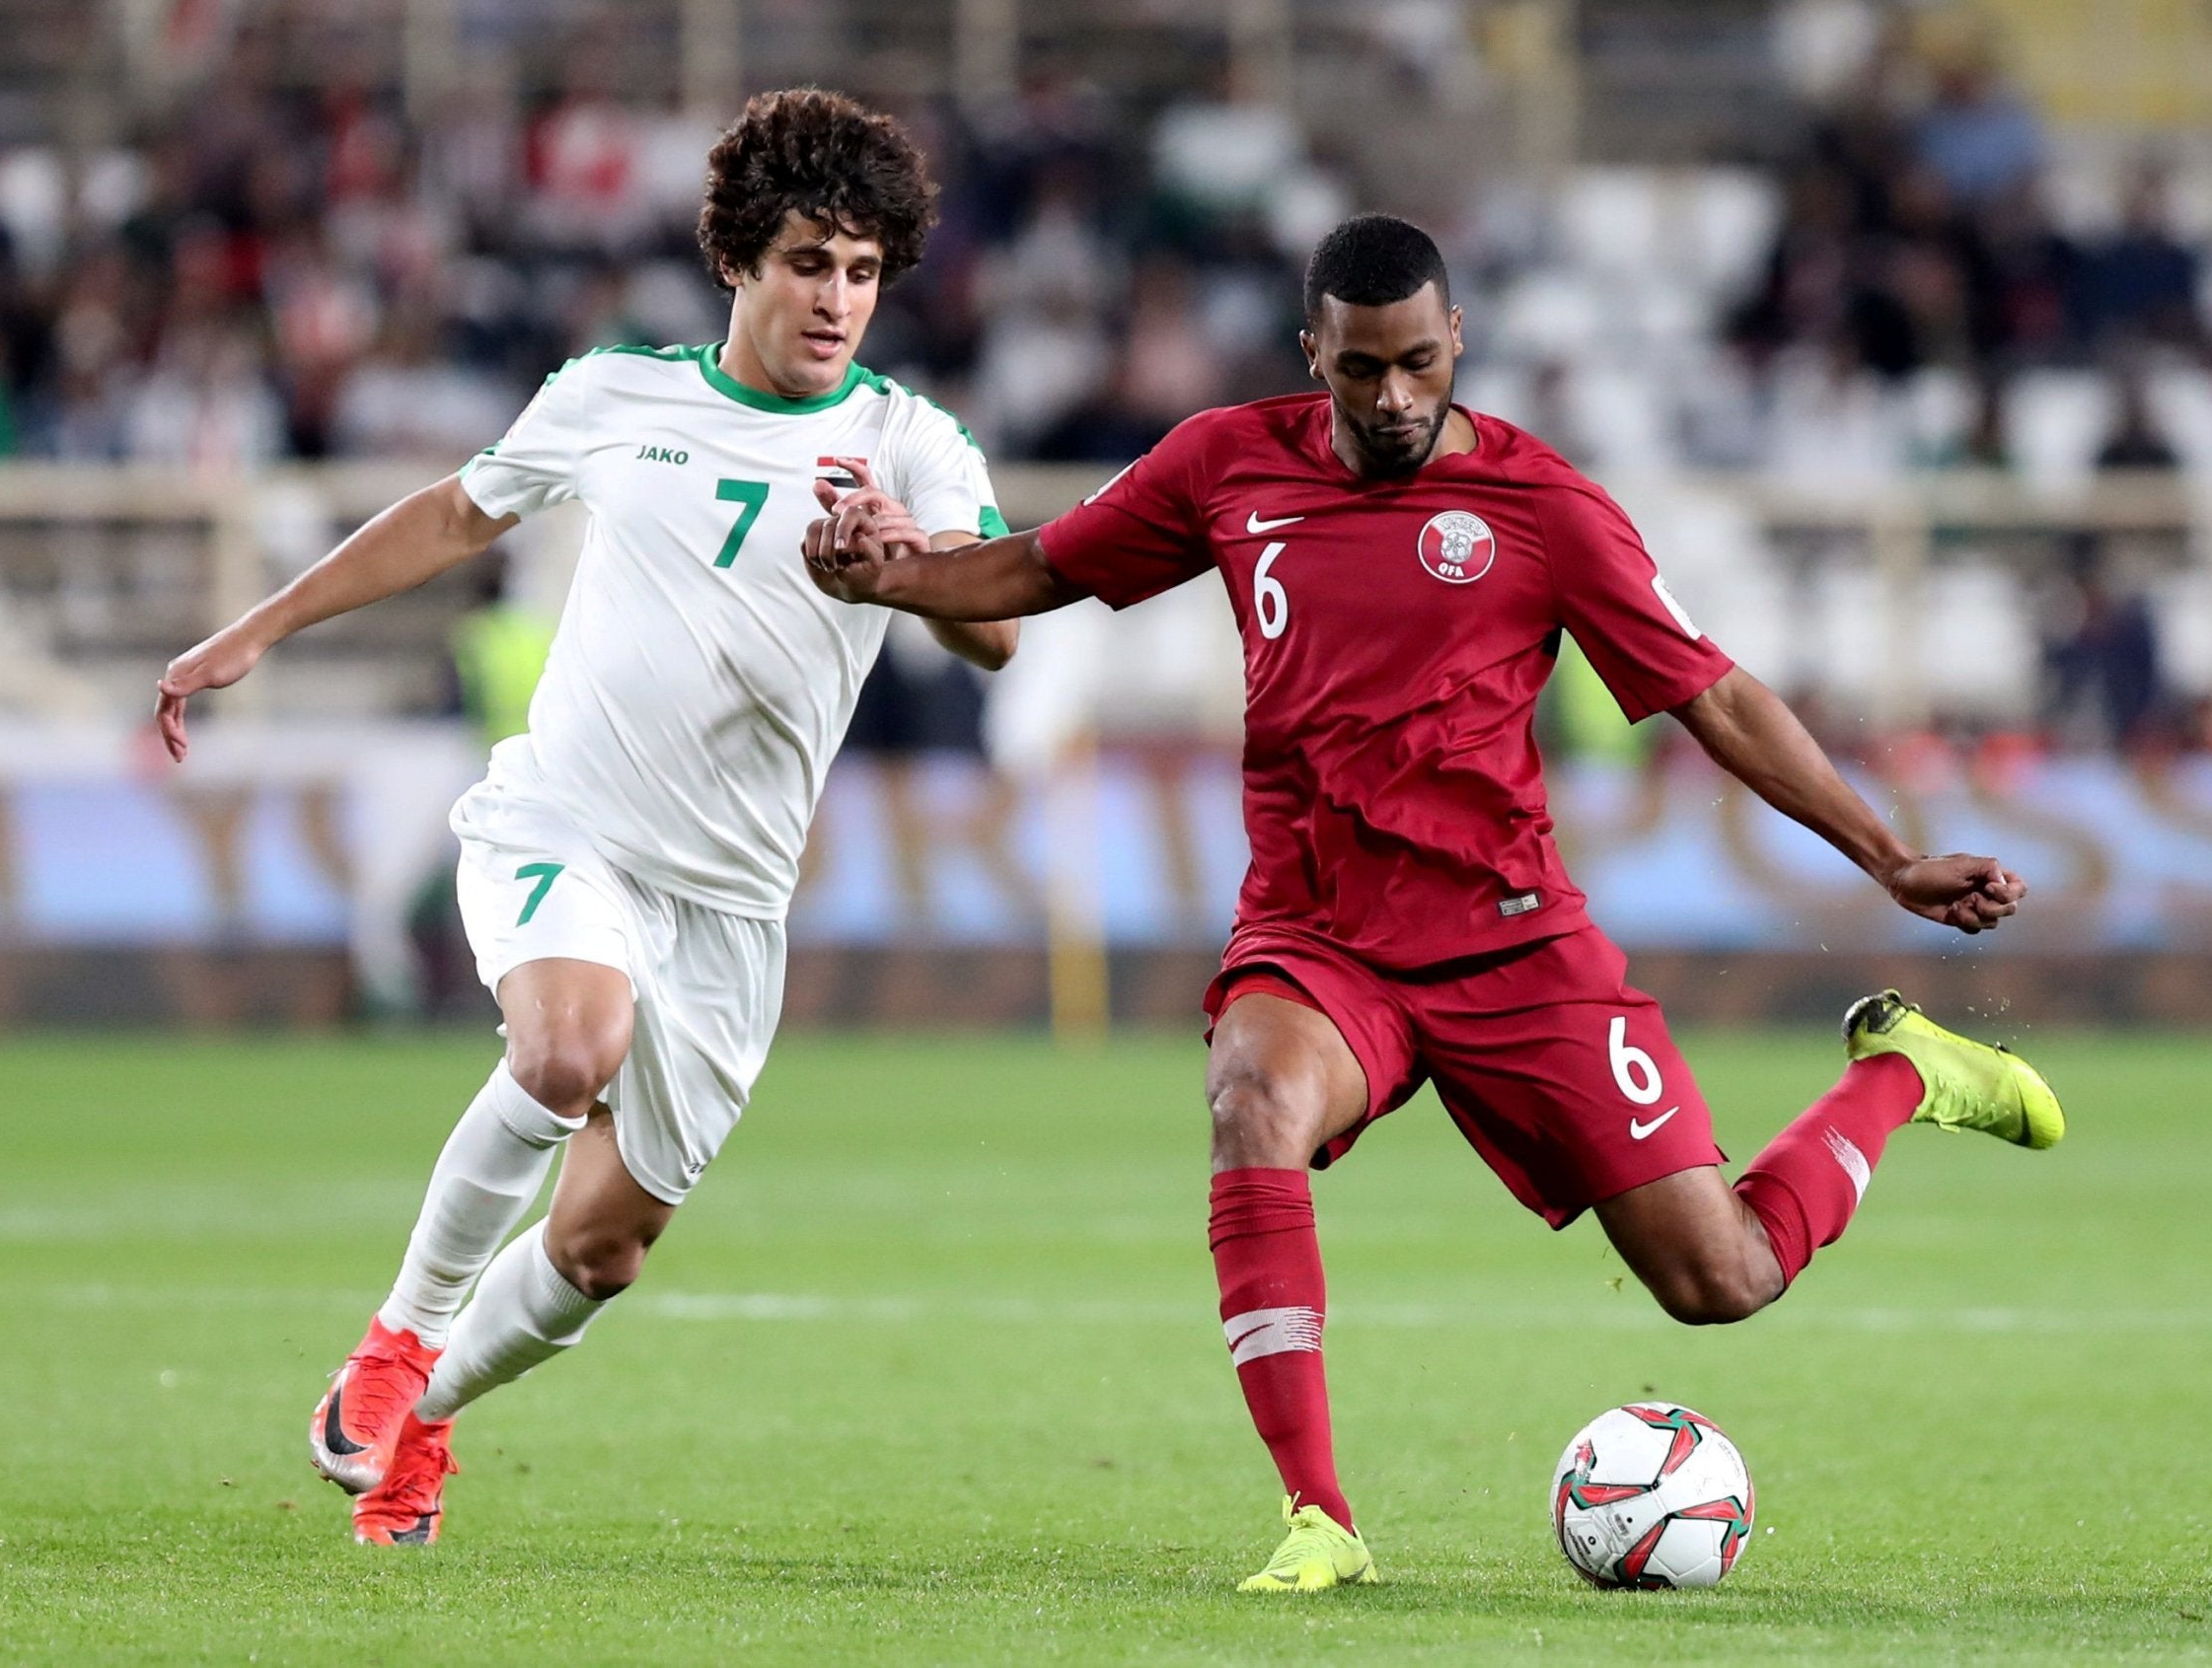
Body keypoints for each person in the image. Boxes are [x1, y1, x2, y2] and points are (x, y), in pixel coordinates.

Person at [803, 213, 2063, 1591]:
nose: (1394, 398)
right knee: (1252, 1103)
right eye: (1360, 370)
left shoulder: (1544, 508)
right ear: (1314, 357)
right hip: (1319, 936)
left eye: (1418, 363)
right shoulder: (1226, 464)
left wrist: (1887, 858)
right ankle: (1320, 1518)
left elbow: (1718, 695)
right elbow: (1043, 568)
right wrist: (900, 572)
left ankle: (1901, 1075)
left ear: (1457, 340)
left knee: (1724, 1281)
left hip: (1516, 944)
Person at [153, 89, 1018, 1547]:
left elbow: (996, 630)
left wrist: (902, 571)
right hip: (572, 825)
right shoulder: (615, 392)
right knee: (566, 1046)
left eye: (866, 271)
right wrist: (257, 631)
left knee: (602, 1251)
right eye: (812, 259)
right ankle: (397, 1342)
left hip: (734, 911)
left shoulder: (912, 443)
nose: (838, 298)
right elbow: (451, 513)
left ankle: (421, 1430)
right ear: (743, 255)